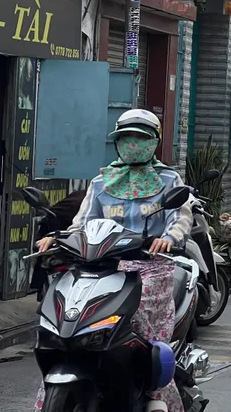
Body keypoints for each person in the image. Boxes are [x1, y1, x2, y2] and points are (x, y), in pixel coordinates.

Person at [34, 109, 190, 412]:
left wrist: (168, 239)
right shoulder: (102, 182)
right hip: (101, 266)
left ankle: (155, 392)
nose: (133, 143)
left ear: (154, 141)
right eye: (126, 137)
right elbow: (81, 224)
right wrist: (57, 238)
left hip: (149, 266)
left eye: (141, 137)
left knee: (145, 328)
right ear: (117, 142)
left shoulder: (168, 179)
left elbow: (180, 219)